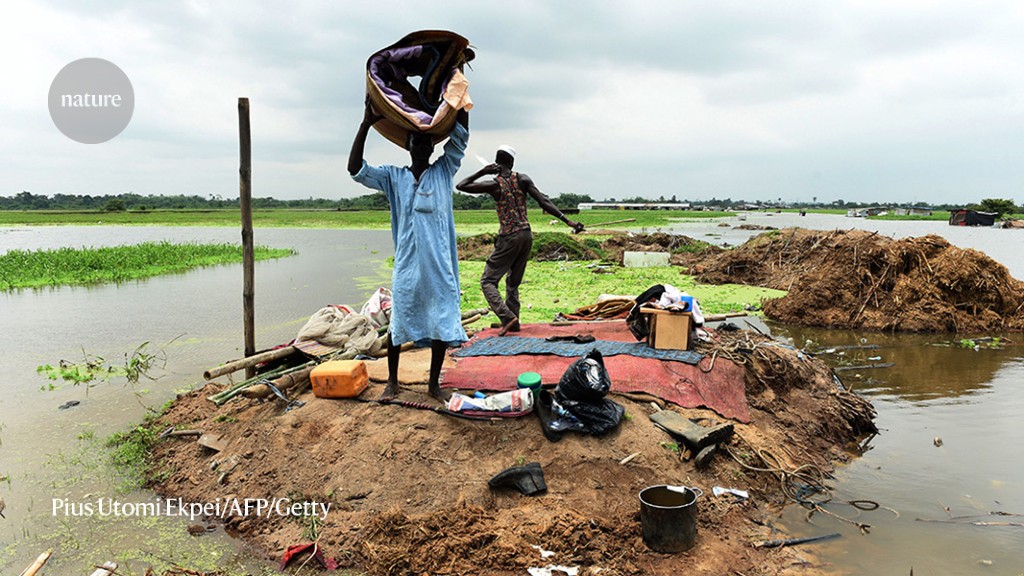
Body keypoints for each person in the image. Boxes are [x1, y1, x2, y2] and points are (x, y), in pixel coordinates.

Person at [348, 99, 469, 402]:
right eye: (417, 140)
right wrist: (365, 124)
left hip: (438, 265)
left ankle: (433, 384)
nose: (422, 145)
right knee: (399, 321)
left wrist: (461, 103)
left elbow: (460, 140)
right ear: (408, 145)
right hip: (407, 266)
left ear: (432, 146)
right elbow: (356, 169)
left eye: (427, 141)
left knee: (441, 320)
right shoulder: (394, 177)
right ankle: (392, 381)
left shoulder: (443, 171)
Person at [456, 145, 584, 336]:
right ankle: (514, 321)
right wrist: (568, 221)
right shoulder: (523, 179)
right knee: (513, 282)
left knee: (488, 281)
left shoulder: (494, 184)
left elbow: (461, 186)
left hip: (509, 236)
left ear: (496, 163)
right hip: (526, 235)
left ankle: (507, 317)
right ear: (512, 162)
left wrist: (482, 172)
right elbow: (544, 201)